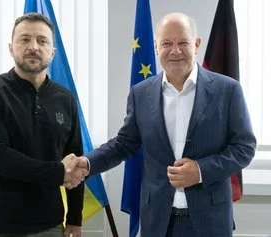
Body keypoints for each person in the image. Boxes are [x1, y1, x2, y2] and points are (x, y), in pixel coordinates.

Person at [69, 12, 256, 237]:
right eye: (166, 43)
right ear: (156, 47)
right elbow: (124, 144)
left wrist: (199, 171)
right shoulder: (141, 93)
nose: (175, 50)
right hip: (157, 221)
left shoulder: (228, 90)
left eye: (183, 42)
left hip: (210, 221)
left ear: (196, 44)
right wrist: (87, 163)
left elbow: (244, 148)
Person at [0, 13, 87, 237]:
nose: (33, 47)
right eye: (24, 39)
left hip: (49, 224)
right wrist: (58, 172)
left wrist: (74, 218)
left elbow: (76, 160)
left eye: (42, 41)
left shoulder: (66, 99)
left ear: (52, 52)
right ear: (11, 48)